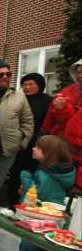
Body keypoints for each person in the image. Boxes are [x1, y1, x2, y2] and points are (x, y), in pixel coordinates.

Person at [6, 135, 75, 251]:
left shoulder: (46, 176)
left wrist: (26, 180)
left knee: (31, 249)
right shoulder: (51, 172)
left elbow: (36, 197)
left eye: (38, 148)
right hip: (51, 218)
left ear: (48, 154)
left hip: (42, 219)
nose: (33, 148)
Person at [0, 59, 34, 211]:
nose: (6, 77)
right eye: (1, 75)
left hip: (8, 150)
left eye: (8, 74)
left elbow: (28, 122)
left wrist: (21, 143)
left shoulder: (19, 96)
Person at [7, 73, 52, 207]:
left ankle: (32, 208)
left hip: (38, 146)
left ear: (40, 85)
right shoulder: (19, 100)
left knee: (34, 178)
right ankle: (13, 206)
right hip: (18, 145)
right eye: (24, 85)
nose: (27, 87)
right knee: (15, 177)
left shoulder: (47, 101)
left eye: (31, 84)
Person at [42, 58, 82, 189]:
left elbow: (75, 127)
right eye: (78, 72)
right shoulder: (68, 91)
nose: (79, 75)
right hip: (62, 151)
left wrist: (64, 110)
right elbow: (51, 120)